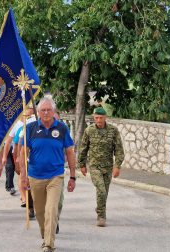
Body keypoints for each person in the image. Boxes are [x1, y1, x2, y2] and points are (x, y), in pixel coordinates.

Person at [20, 97, 76, 252]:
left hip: (55, 176)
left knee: (51, 209)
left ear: (54, 112)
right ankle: (46, 235)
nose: (45, 113)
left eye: (48, 110)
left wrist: (72, 176)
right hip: (35, 176)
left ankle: (49, 244)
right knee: (39, 212)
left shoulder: (62, 128)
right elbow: (23, 153)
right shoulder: (30, 128)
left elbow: (70, 152)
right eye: (42, 110)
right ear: (38, 112)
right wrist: (23, 177)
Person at [78, 107, 124, 227]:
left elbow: (119, 149)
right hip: (94, 166)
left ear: (105, 118)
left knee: (104, 192)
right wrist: (82, 164)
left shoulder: (113, 131)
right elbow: (83, 148)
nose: (98, 120)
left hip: (108, 167)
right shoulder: (89, 130)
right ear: (94, 118)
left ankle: (100, 209)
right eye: (96, 117)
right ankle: (101, 216)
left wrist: (117, 166)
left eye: (101, 118)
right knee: (101, 190)